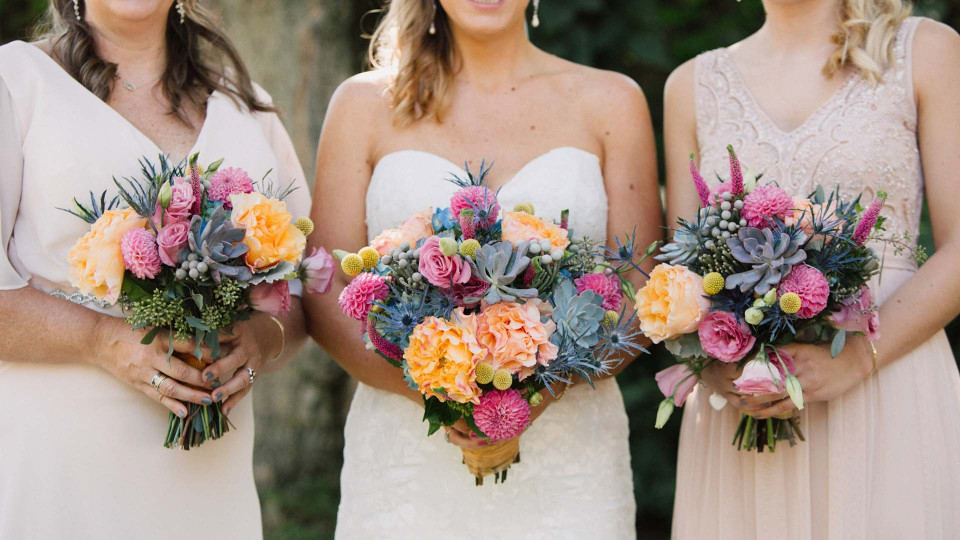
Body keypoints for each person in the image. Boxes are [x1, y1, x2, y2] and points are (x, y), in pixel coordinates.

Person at [304, 0, 661, 537]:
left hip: (571, 461)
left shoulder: (613, 101)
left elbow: (641, 290)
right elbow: (327, 293)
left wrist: (533, 396)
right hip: (407, 464)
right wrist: (446, 399)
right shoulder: (363, 104)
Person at [0, 1, 309, 538]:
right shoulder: (15, 82)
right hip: (61, 463)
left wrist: (260, 340)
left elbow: (307, 285)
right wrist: (100, 339)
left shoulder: (247, 105)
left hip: (209, 473)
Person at [664, 0, 960, 537]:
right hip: (741, 405)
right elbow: (681, 277)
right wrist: (717, 365)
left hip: (888, 381)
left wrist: (857, 362)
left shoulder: (924, 50)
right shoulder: (692, 84)